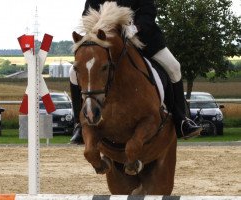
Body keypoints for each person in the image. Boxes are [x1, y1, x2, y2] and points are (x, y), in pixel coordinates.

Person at [69, 0, 201, 144]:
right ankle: (78, 124)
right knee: (72, 73)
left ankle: (181, 120)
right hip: (106, 44)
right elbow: (87, 15)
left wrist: (135, 27)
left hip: (144, 41)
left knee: (174, 67)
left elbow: (148, 12)